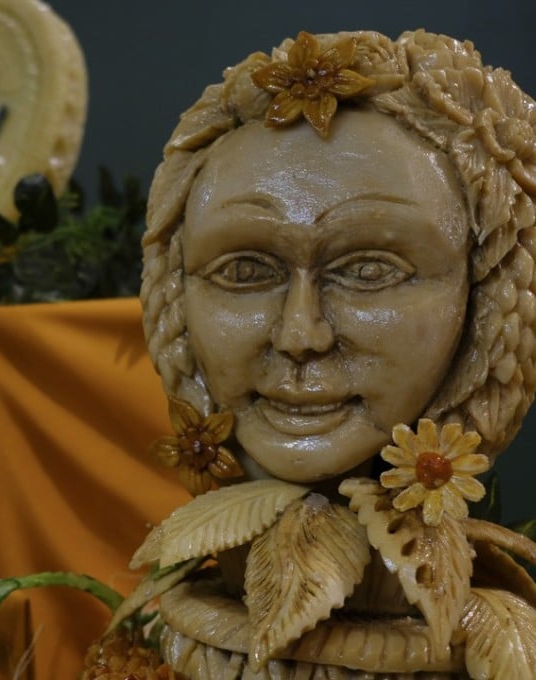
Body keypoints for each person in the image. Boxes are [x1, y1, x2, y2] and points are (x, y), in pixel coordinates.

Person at [92, 29, 536, 679]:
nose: (301, 334)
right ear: (172, 291)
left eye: (369, 269)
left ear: (488, 297)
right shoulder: (157, 635)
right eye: (245, 271)